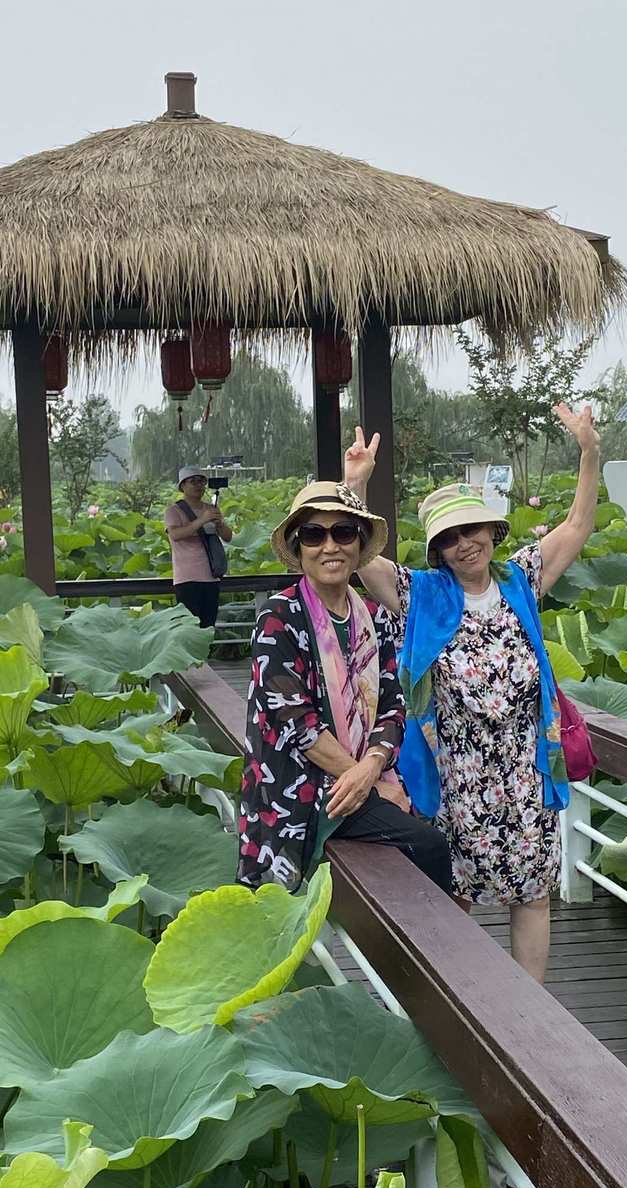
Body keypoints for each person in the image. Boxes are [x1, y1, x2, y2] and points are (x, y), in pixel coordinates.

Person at [342, 404, 600, 981]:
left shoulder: (521, 579)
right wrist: (354, 486)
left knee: (532, 895)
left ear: (493, 531)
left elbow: (578, 526)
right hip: (456, 774)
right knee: (453, 894)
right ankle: (460, 1010)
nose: (466, 544)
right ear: (438, 548)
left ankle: (530, 1019)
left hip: (528, 770)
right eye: (451, 537)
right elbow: (358, 559)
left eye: (473, 530)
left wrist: (589, 452)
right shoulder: (421, 592)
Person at [237, 480, 454, 897]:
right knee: (427, 845)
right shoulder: (279, 618)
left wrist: (372, 768)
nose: (330, 546)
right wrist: (369, 783)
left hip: (361, 776)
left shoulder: (373, 616)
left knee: (429, 832)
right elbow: (297, 724)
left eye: (344, 533)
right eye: (314, 535)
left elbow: (393, 707)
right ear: (299, 548)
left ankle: (410, 953)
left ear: (358, 545)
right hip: (301, 791)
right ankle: (428, 954)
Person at [164, 466, 233, 629]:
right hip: (187, 579)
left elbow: (228, 536)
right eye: (193, 481)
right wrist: (202, 520)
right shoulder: (173, 511)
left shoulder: (211, 509)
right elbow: (176, 535)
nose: (198, 485)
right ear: (182, 486)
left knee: (208, 626)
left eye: (202, 481)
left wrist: (219, 523)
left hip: (211, 576)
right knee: (189, 629)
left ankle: (206, 656)